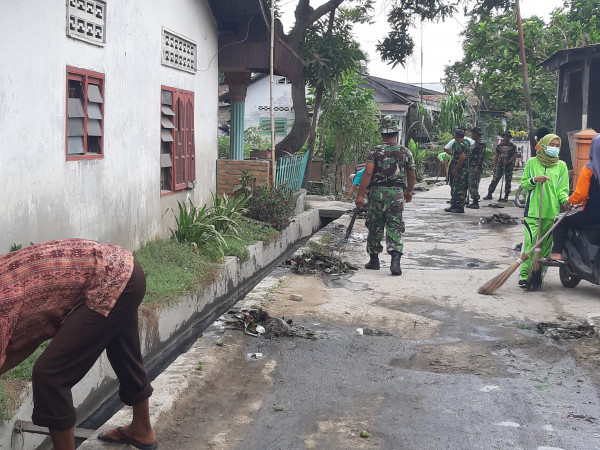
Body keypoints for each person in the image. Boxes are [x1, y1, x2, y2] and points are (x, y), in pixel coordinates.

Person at [0, 239, 157, 450]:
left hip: (112, 279)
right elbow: (25, 340)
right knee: (123, 349)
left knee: (50, 374)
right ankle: (142, 429)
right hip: (126, 270)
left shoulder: (4, 301)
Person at [355, 115, 416, 276]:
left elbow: (368, 173)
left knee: (375, 224)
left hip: (377, 194)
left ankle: (374, 260)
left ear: (382, 133)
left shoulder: (375, 151)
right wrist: (409, 191)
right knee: (395, 224)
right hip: (396, 194)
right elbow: (411, 174)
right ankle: (395, 260)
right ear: (396, 133)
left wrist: (360, 195)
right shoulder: (405, 151)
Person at [517, 134, 569, 288]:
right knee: (530, 244)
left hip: (551, 213)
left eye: (557, 145)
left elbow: (562, 190)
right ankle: (524, 275)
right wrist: (534, 180)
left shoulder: (561, 166)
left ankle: (537, 275)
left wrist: (566, 201)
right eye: (551, 144)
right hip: (533, 212)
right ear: (544, 145)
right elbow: (525, 184)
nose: (554, 148)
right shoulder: (533, 163)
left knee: (545, 249)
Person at [550, 133, 600, 261]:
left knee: (561, 219)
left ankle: (556, 253)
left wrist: (569, 202)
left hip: (591, 214)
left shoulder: (589, 169)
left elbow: (581, 194)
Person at [483, 131, 518, 202]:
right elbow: (496, 156)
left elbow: (515, 155)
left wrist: (508, 162)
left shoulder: (513, 146)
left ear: (509, 138)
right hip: (500, 165)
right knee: (495, 179)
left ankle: (506, 196)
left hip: (508, 166)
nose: (505, 138)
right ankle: (490, 193)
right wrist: (494, 166)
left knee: (508, 181)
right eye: (504, 136)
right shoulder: (500, 146)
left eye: (507, 136)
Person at [445, 128, 469, 213]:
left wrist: (456, 169)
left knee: (460, 188)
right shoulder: (460, 144)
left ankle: (459, 207)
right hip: (458, 169)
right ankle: (454, 205)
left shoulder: (462, 145)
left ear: (457, 135)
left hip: (461, 170)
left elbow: (462, 158)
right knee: (455, 187)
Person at [466, 126, 486, 209]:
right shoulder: (475, 143)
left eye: (473, 133)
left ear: (477, 134)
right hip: (471, 165)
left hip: (475, 166)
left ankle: (475, 202)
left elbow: (481, 157)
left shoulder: (481, 143)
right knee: (471, 184)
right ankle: (474, 201)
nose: (472, 134)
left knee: (473, 184)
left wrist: (477, 167)